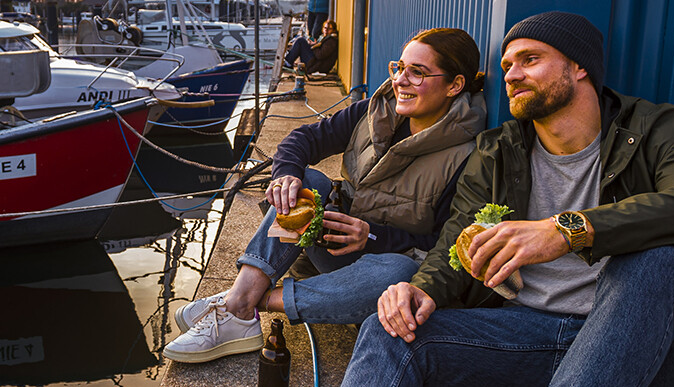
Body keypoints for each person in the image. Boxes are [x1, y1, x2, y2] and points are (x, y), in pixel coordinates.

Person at [341, 11, 674, 387]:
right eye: (507, 65)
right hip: (527, 332)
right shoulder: (497, 150)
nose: (511, 75)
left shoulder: (657, 128)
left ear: (579, 67)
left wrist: (566, 231)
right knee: (389, 329)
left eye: (529, 60)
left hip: (632, 337)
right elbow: (456, 241)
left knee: (659, 262)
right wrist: (421, 290)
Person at [162, 28, 488, 364]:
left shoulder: (468, 156)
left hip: (377, 272)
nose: (400, 81)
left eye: (417, 72)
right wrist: (285, 175)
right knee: (307, 180)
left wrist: (371, 235)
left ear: (454, 85)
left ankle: (243, 301)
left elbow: (443, 247)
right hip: (330, 248)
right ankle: (240, 305)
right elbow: (302, 139)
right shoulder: (375, 111)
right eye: (399, 67)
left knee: (400, 273)